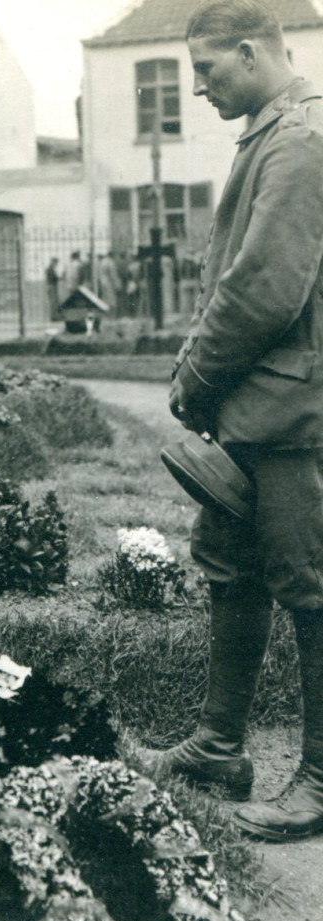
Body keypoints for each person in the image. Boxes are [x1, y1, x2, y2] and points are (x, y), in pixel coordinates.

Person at [152, 0, 323, 842]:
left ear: (251, 53)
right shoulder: (271, 132)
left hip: (296, 411)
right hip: (255, 410)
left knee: (311, 583)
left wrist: (194, 375)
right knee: (230, 563)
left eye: (208, 71)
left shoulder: (301, 139)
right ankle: (221, 746)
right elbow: (233, 274)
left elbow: (265, 289)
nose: (198, 89)